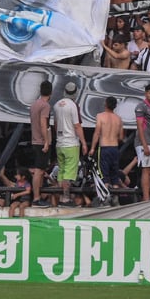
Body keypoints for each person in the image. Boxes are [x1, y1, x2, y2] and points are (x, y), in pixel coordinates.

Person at [53, 81, 85, 208]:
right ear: (75, 93)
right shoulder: (73, 106)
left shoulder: (56, 105)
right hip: (71, 143)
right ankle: (66, 198)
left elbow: (55, 124)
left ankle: (61, 197)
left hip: (59, 143)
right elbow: (77, 126)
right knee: (69, 173)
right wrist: (83, 142)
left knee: (61, 171)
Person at [27, 76, 53, 207]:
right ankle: (36, 198)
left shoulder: (34, 105)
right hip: (41, 141)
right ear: (51, 92)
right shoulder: (45, 106)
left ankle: (38, 196)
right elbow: (43, 124)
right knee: (39, 171)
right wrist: (46, 141)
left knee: (40, 170)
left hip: (34, 139)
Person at [133, 85, 150, 202]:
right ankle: (146, 198)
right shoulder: (141, 106)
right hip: (144, 141)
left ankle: (147, 195)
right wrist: (144, 145)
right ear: (145, 94)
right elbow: (139, 126)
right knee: (146, 169)